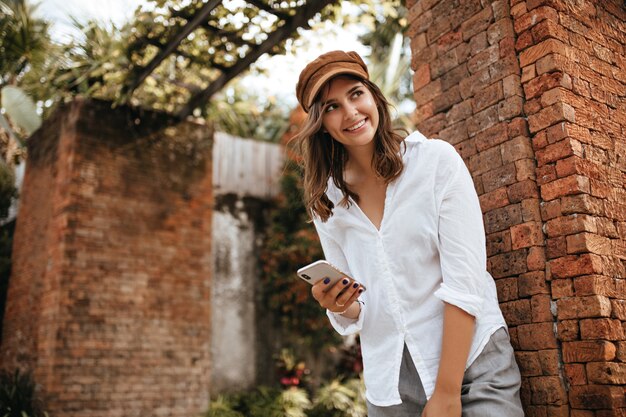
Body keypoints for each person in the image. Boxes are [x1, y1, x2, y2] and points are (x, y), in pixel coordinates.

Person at [293, 50, 524, 417]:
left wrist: (447, 392)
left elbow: (465, 282)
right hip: (392, 383)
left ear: (373, 97)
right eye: (332, 107)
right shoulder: (328, 203)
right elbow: (361, 304)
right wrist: (339, 304)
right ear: (322, 124)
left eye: (355, 94)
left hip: (471, 363)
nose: (350, 112)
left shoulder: (435, 162)